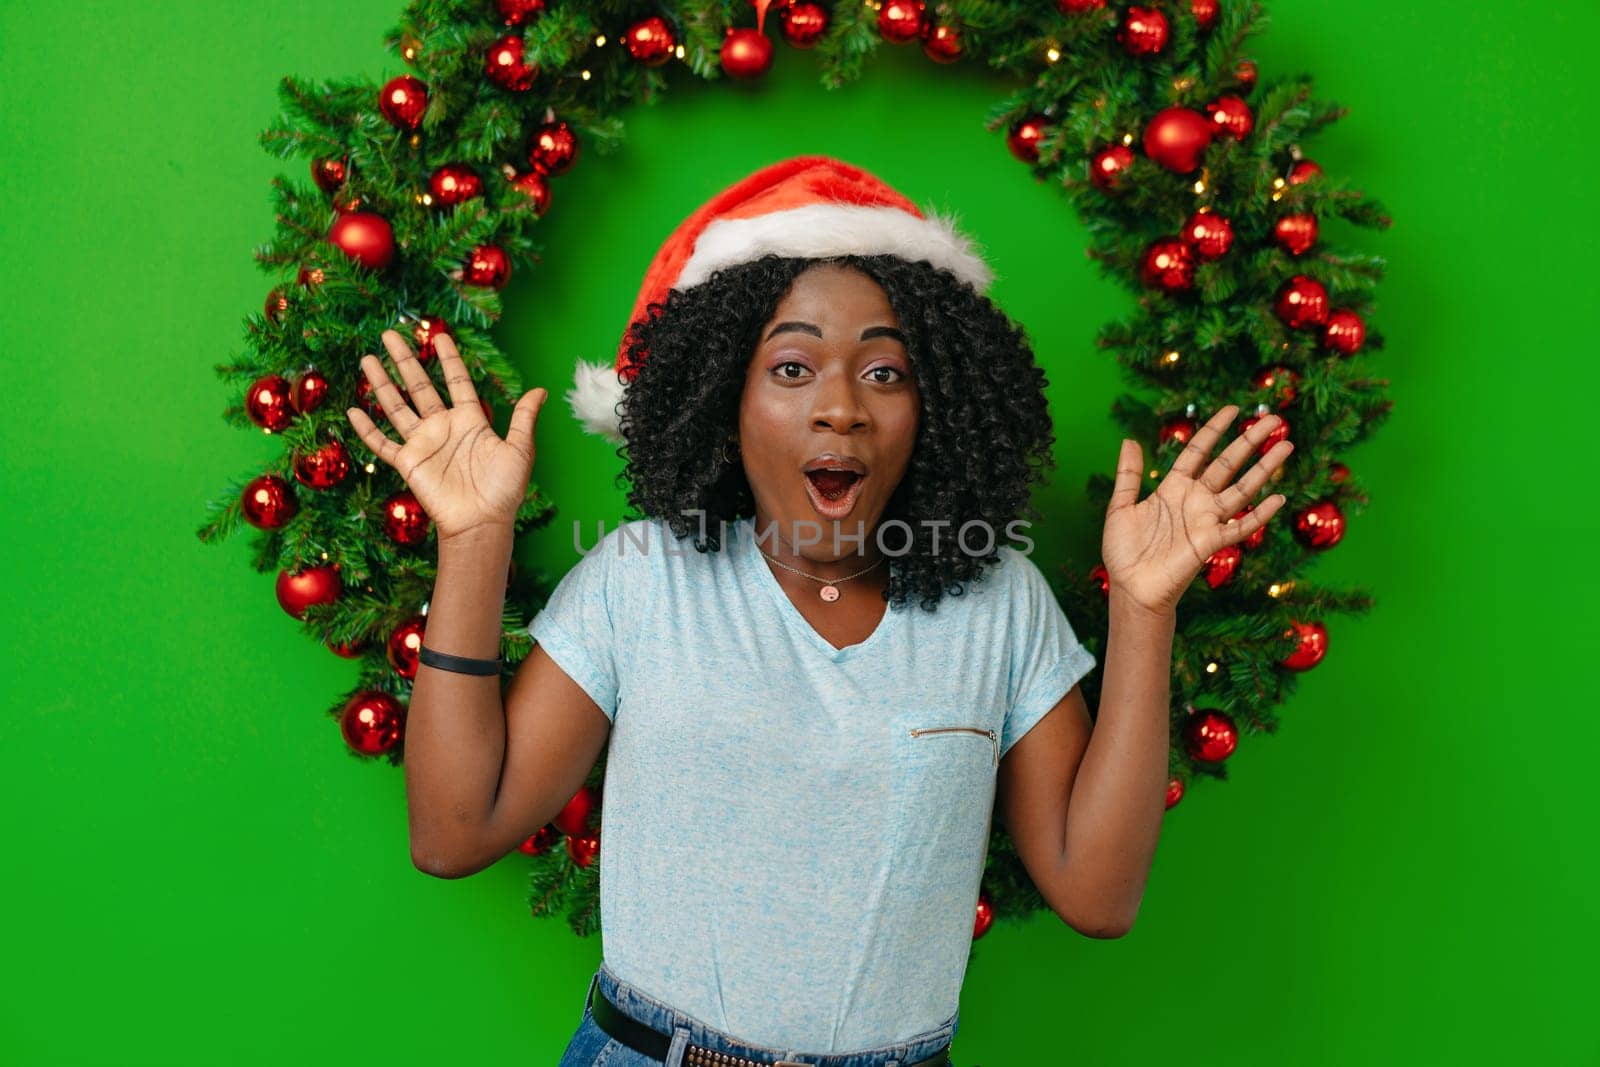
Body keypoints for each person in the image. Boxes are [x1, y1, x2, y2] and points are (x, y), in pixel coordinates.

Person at [344, 156, 1294, 1067]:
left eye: (885, 372)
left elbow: (1098, 890)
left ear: (941, 407)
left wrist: (1142, 608)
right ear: (724, 400)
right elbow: (455, 830)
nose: (841, 407)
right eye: (792, 368)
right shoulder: (644, 580)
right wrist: (471, 545)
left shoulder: (997, 601)